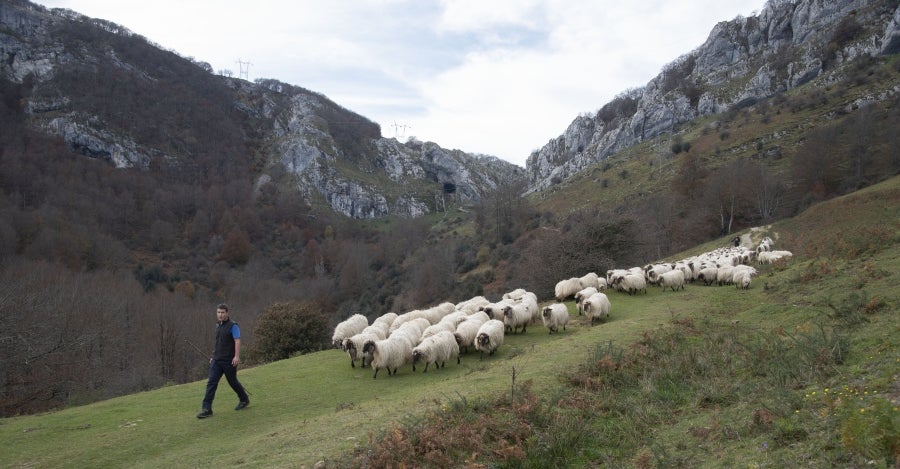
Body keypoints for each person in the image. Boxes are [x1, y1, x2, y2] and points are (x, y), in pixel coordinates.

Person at [197, 303, 250, 419]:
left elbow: (237, 341)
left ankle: (244, 399)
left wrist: (236, 356)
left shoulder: (233, 326)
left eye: (222, 312)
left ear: (227, 313)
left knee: (232, 381)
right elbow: (218, 343)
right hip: (216, 360)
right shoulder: (218, 325)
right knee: (211, 382)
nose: (220, 315)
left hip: (228, 361)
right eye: (218, 312)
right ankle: (207, 409)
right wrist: (213, 356)